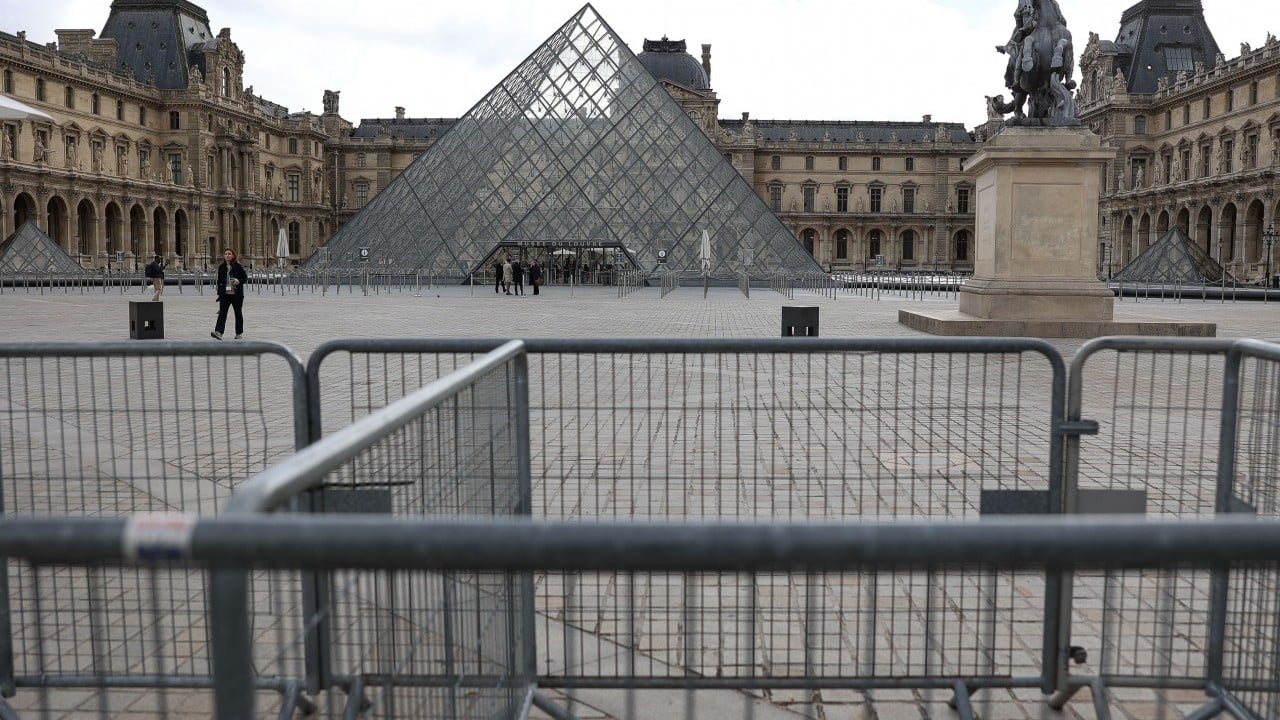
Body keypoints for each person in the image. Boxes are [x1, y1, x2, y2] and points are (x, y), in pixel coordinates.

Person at [210, 248, 248, 339]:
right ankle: (218, 332)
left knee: (238, 313)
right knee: (222, 313)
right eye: (226, 254)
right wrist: (219, 295)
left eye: (229, 254)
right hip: (225, 294)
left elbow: (245, 278)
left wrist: (238, 281)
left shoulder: (238, 266)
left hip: (236, 294)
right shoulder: (221, 267)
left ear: (233, 256)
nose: (227, 255)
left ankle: (239, 333)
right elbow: (219, 282)